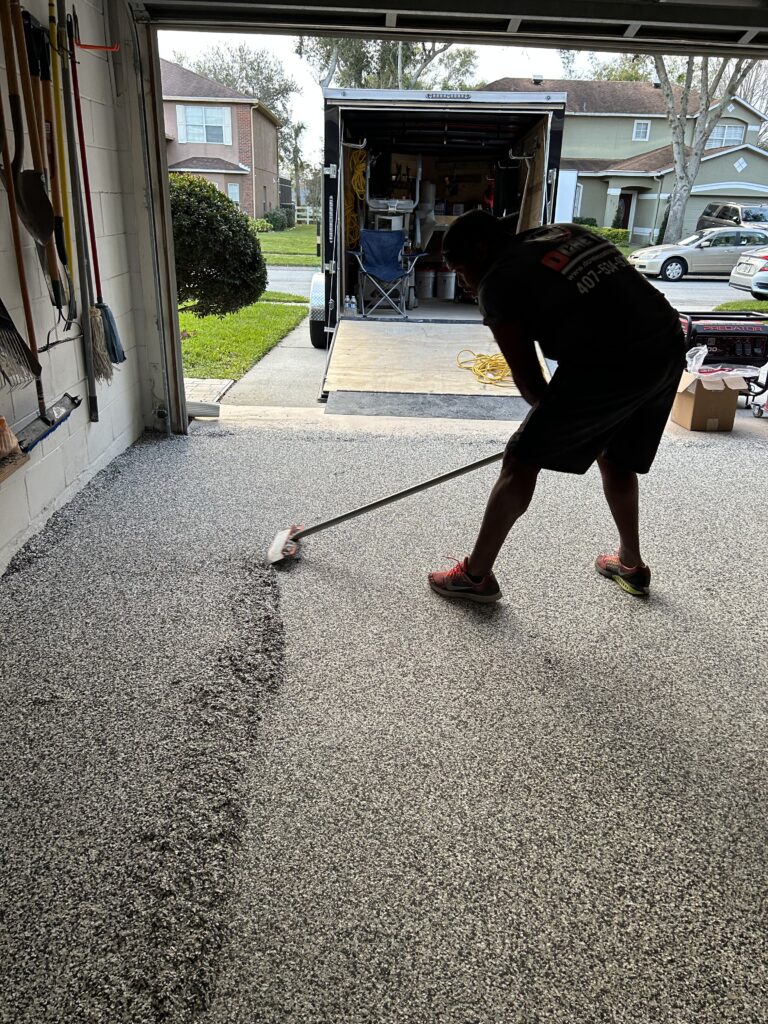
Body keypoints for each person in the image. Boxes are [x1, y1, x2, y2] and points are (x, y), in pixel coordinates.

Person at [428, 211, 686, 604]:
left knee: (519, 461)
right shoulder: (564, 232)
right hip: (665, 343)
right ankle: (631, 564)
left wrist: (540, 437)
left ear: (481, 250)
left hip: (612, 362)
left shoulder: (497, 281)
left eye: (460, 269)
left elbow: (533, 384)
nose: (461, 280)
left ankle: (474, 577)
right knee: (616, 457)